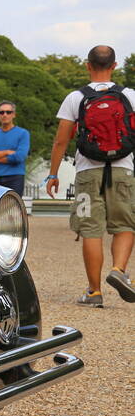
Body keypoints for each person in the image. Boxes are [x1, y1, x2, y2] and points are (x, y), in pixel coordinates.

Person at [44, 45, 135, 306]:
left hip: (87, 171)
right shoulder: (129, 96)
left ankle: (94, 292)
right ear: (115, 66)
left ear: (87, 65)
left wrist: (53, 174)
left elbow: (61, 141)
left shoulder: (76, 98)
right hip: (123, 168)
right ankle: (118, 270)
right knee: (125, 225)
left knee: (90, 230)